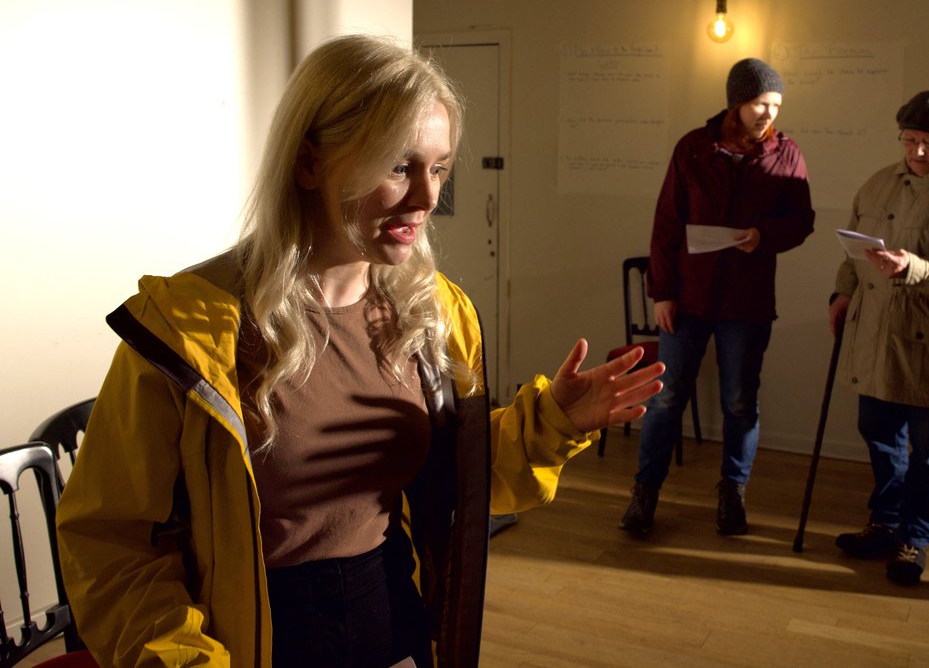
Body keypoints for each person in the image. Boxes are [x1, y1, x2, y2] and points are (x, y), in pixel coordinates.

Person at [56, 34, 665, 667]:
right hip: (248, 644)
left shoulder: (435, 315)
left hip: (394, 626)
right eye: (399, 167)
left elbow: (453, 481)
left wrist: (552, 423)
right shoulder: (188, 327)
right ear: (309, 163)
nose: (428, 199)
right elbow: (111, 545)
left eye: (439, 167)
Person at [619, 57, 815, 537]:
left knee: (740, 403)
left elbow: (801, 220)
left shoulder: (786, 155)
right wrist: (661, 294)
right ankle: (645, 494)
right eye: (758, 104)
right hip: (687, 300)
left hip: (746, 305)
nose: (767, 113)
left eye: (775, 105)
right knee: (666, 400)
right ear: (736, 102)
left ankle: (732, 493)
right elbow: (666, 225)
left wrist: (762, 235)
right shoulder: (693, 148)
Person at [828, 87, 929, 585]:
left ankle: (914, 539)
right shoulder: (879, 185)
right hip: (877, 335)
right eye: (911, 140)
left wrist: (915, 268)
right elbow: (852, 255)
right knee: (878, 436)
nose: (919, 152)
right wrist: (841, 295)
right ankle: (884, 521)